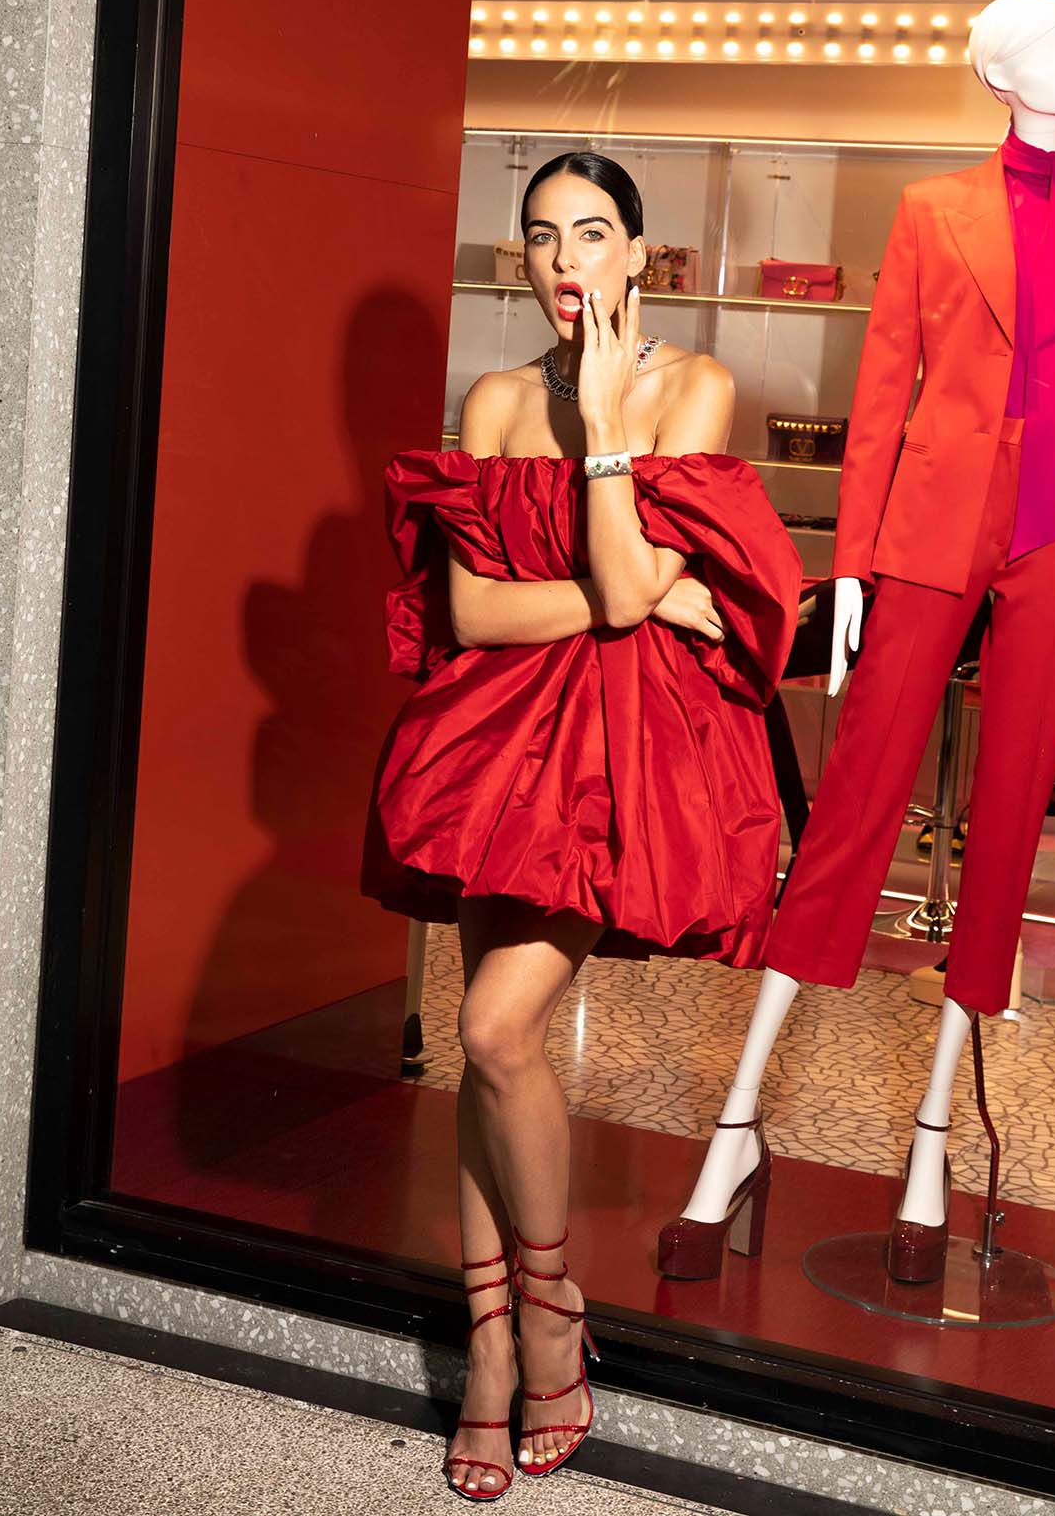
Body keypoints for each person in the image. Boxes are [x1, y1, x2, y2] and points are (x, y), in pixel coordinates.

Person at [362, 151, 800, 1499]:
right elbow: (489, 615)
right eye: (543, 238)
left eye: (594, 234)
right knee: (479, 1055)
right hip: (494, 746)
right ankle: (492, 1349)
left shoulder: (694, 388)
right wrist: (638, 598)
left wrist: (608, 425)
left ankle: (549, 1315)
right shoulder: (491, 401)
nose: (567, 262)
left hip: (617, 764)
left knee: (498, 1030)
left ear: (641, 253)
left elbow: (616, 576)